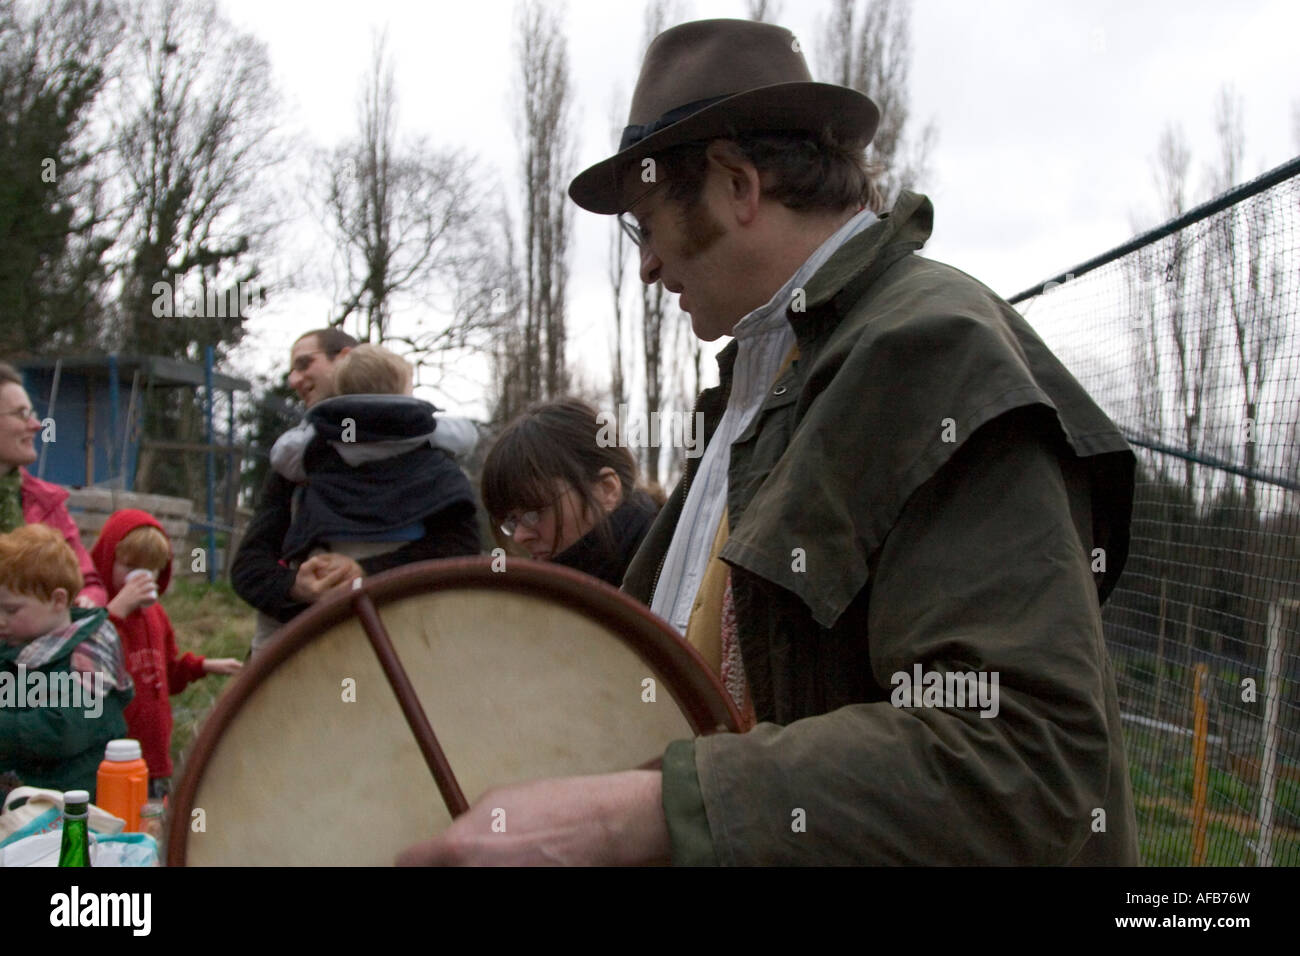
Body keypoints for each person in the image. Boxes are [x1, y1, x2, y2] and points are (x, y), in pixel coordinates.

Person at [399, 18, 1139, 866]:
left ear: (737, 184)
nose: (644, 268)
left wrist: (637, 817)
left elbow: (1024, 758)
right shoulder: (769, 379)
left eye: (645, 226)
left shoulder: (928, 349)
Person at [231, 331, 480, 652]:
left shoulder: (428, 466)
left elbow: (458, 552)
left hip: (405, 647)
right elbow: (249, 569)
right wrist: (297, 587)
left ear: (344, 359)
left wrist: (365, 576)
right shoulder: (298, 469)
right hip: (309, 653)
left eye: (305, 364)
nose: (294, 379)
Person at [269, 344, 481, 572]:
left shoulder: (318, 446)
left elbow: (283, 456)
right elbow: (463, 437)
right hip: (411, 567)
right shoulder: (431, 451)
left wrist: (313, 428)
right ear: (404, 391)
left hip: (333, 557)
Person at [90, 509, 241, 795]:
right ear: (107, 558)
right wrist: (116, 612)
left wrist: (204, 665)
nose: (141, 578)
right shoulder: (95, 617)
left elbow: (167, 674)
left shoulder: (156, 615)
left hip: (154, 761)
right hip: (109, 762)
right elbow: (88, 658)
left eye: (152, 569)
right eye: (129, 566)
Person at [0, 524, 133, 797]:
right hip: (23, 803)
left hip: (75, 808)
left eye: (11, 610)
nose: (1, 620)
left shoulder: (89, 651)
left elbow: (62, 728)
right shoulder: (15, 647)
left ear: (58, 600)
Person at [480, 399, 659, 587]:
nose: (520, 536)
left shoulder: (672, 576)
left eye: (534, 512)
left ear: (607, 489)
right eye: (512, 522)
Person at [0, 361, 107, 606]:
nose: (36, 425)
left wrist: (83, 602)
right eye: (21, 414)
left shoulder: (46, 501)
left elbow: (88, 583)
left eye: (33, 414)